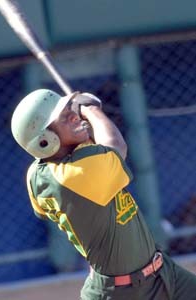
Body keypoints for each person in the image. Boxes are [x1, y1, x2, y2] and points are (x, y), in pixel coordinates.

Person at [11, 88, 196, 300]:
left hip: (163, 273)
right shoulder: (72, 175)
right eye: (63, 118)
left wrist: (78, 125)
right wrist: (90, 110)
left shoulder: (39, 173)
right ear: (45, 140)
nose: (74, 115)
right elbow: (116, 147)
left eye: (69, 111)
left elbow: (85, 155)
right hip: (123, 292)